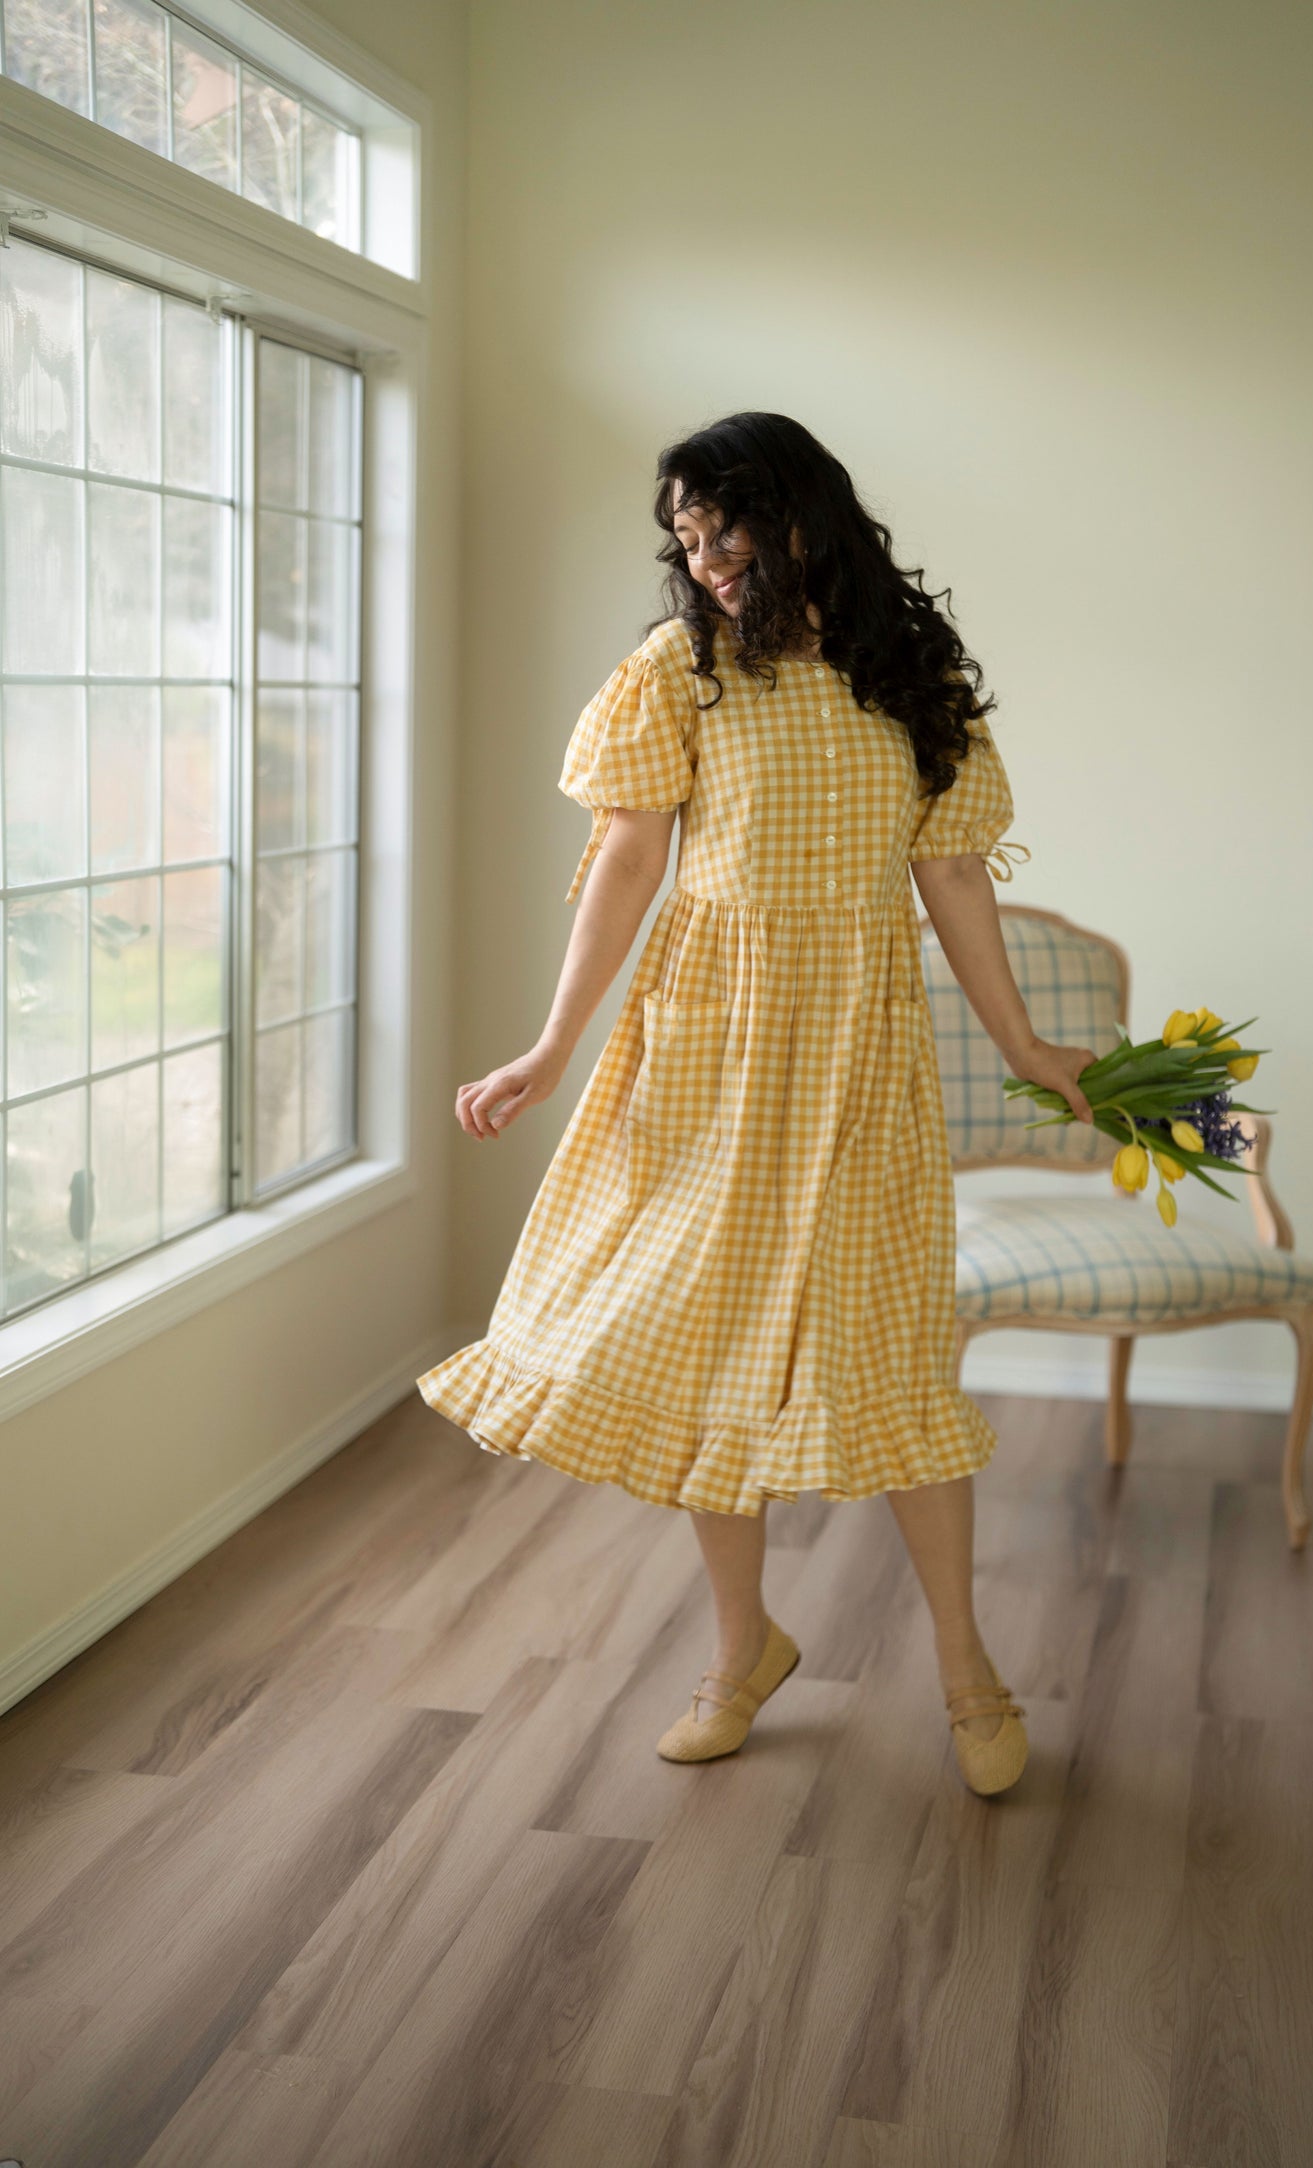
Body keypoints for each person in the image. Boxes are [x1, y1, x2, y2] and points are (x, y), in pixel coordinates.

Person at [418, 412, 1093, 1797]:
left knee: (896, 1367)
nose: (705, 559)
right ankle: (743, 1653)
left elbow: (953, 876)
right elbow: (624, 859)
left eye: (724, 528)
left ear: (800, 515)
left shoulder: (909, 673)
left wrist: (1024, 1043)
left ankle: (967, 1678)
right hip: (706, 1051)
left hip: (857, 1056)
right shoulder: (685, 669)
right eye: (683, 536)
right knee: (696, 1358)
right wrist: (550, 1048)